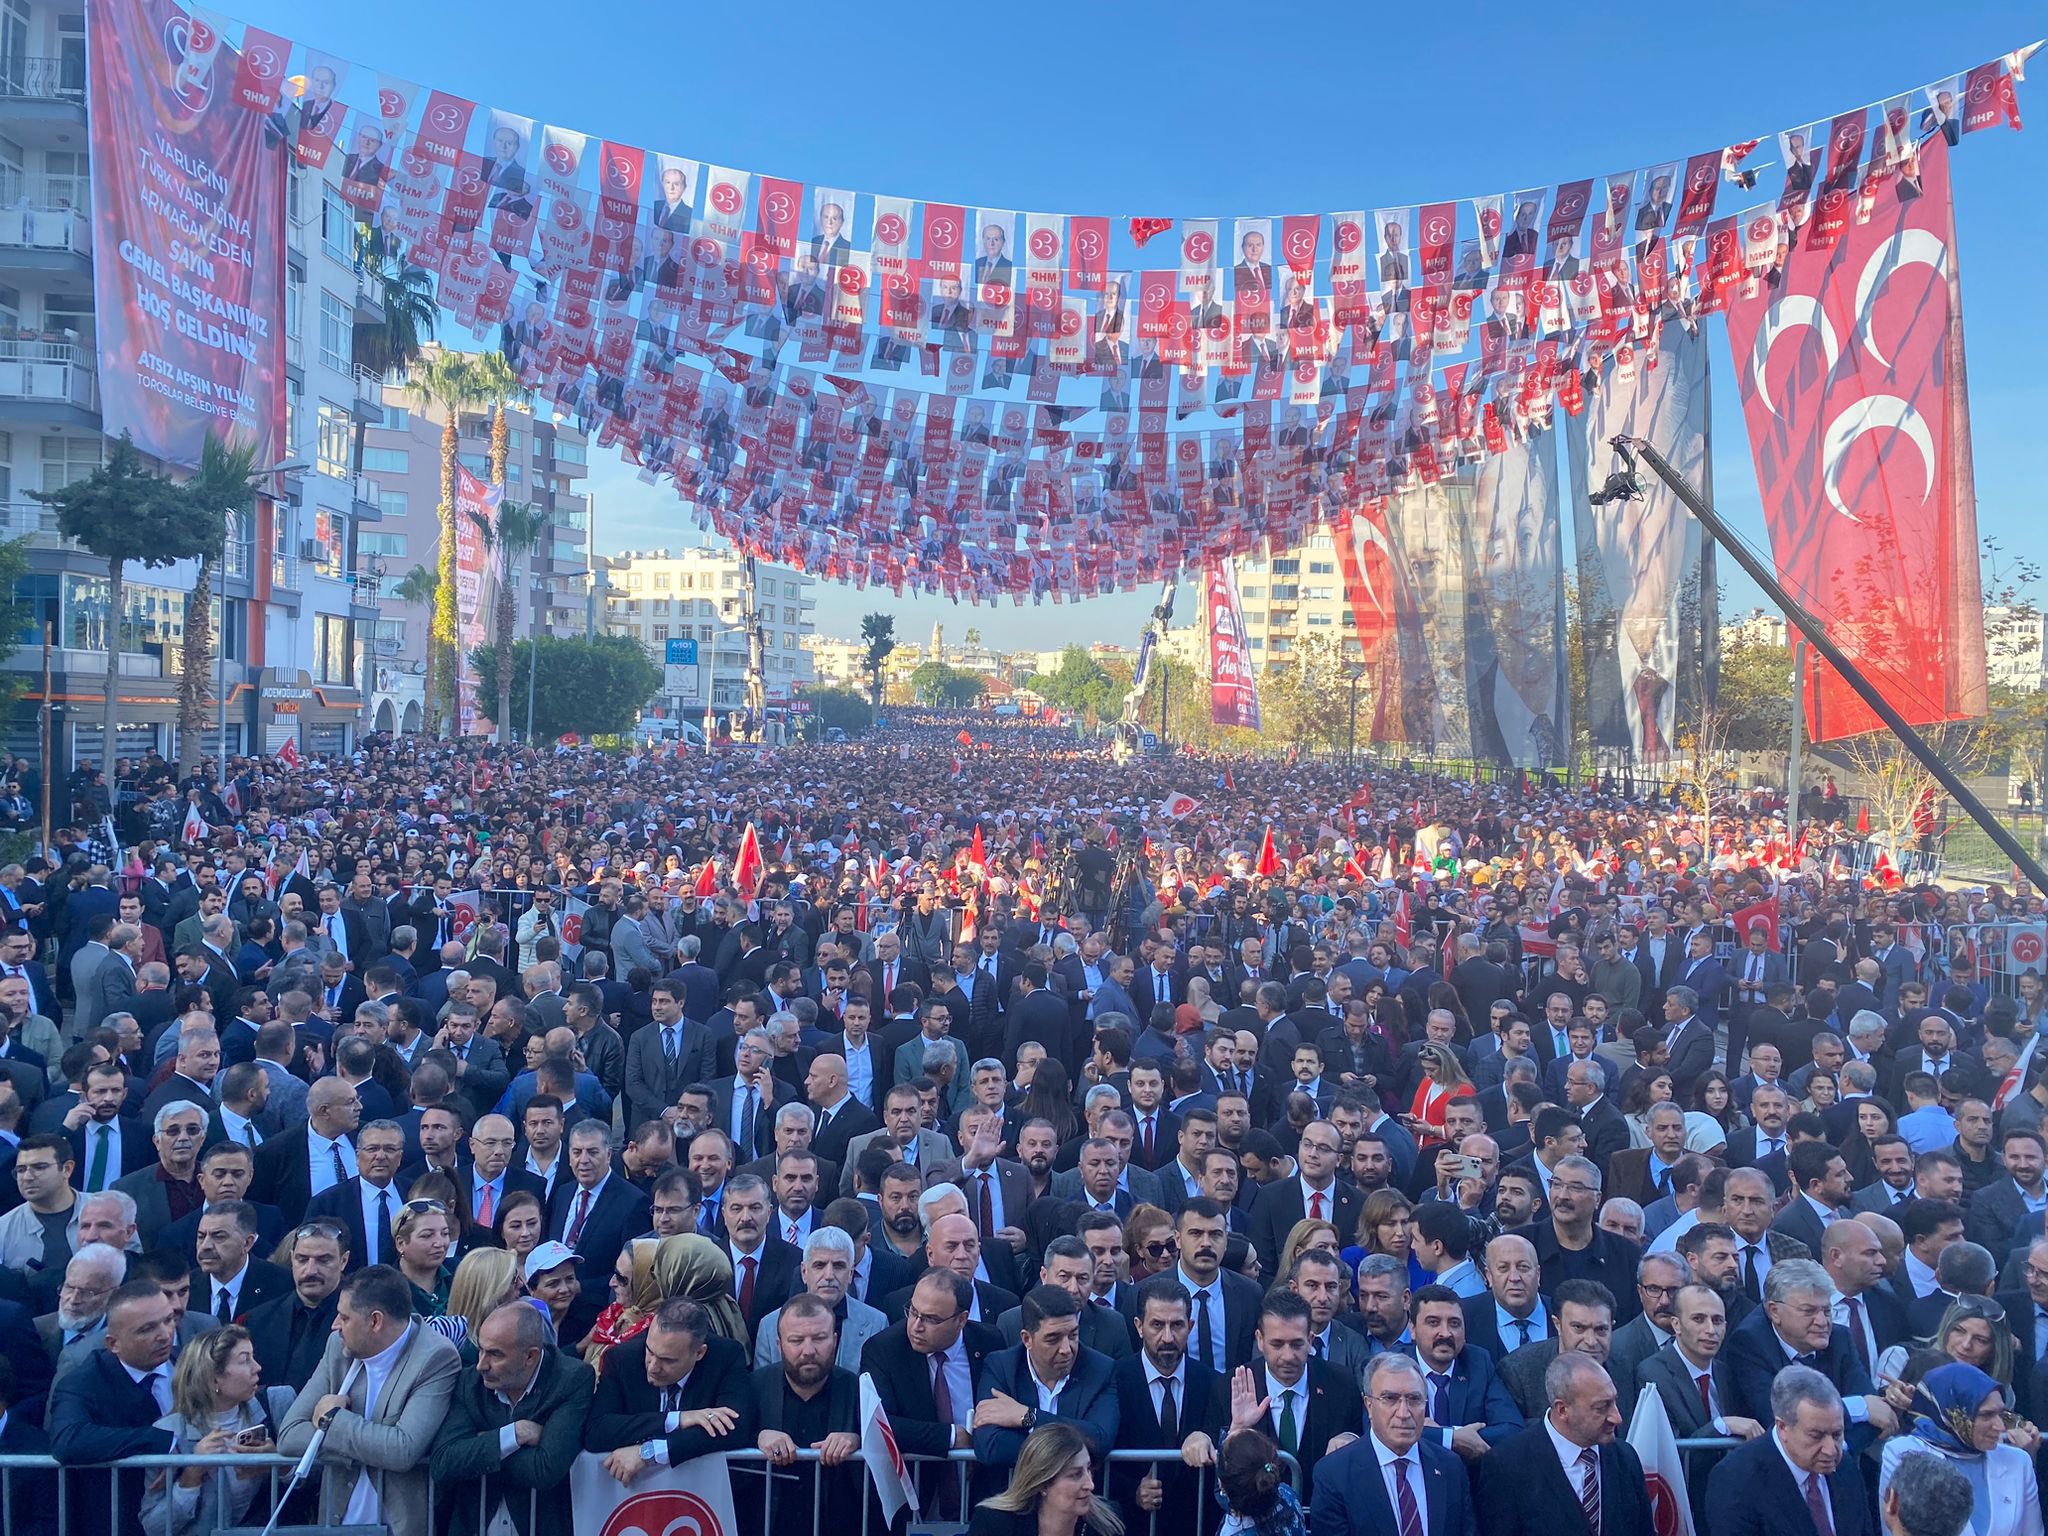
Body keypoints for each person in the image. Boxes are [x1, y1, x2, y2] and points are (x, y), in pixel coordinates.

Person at [276, 1265, 462, 1536]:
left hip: (399, 1528)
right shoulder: (337, 1347)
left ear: (375, 1321)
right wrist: (373, 1448)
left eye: (344, 1317)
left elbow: (403, 1450)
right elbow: (290, 1435)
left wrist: (332, 1420)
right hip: (337, 1525)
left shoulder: (436, 1357)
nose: (335, 1325)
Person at [429, 1300, 596, 1536]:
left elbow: (545, 1469)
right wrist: (514, 1435)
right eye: (481, 1350)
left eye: (495, 1354)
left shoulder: (571, 1379)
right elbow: (443, 1462)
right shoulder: (470, 1383)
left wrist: (482, 1448)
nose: (481, 1365)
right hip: (474, 1526)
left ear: (530, 1356)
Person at [47, 1276, 179, 1536]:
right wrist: (163, 1440)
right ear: (113, 1343)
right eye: (146, 1329)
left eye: (168, 1320)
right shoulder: (83, 1382)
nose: (165, 1335)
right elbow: (67, 1439)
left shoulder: (188, 1365)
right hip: (118, 1520)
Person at [1475, 1348, 1655, 1536]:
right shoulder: (1506, 1466)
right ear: (1562, 1410)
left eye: (1615, 1402)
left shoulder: (1625, 1457)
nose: (1617, 1418)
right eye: (1602, 1407)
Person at [1310, 1350, 1477, 1536]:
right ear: (1369, 1406)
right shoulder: (1335, 1474)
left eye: (1414, 1399)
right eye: (1390, 1399)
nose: (1403, 1413)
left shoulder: (1450, 1467)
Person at [585, 1294, 757, 1472]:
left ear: (699, 1353)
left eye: (667, 1360)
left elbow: (735, 1427)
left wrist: (653, 1452)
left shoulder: (725, 1356)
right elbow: (597, 1431)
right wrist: (677, 1419)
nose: (653, 1367)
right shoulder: (622, 1358)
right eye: (649, 1351)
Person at [972, 1283, 1119, 1485]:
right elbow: (990, 1446)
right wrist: (1072, 1451)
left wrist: (1027, 1416)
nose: (1066, 1349)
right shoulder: (1001, 1367)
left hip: (1079, 1498)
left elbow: (1099, 1440)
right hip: (1014, 1497)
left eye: (1073, 1335)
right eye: (1053, 1339)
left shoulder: (1100, 1369)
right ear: (1027, 1339)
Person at [138, 1323, 275, 1536]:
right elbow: (154, 1527)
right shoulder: (169, 1431)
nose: (257, 1367)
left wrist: (280, 1463)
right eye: (244, 1360)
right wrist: (192, 1473)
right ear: (213, 1377)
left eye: (253, 1357)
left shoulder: (276, 1404)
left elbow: (316, 1480)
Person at [1708, 1365, 1878, 1536]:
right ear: (1783, 1427)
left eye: (1837, 1434)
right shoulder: (1737, 1478)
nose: (1830, 1450)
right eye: (1816, 1436)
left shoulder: (1845, 1468)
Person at [1879, 1360, 2042, 1536]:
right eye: (1986, 1415)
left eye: (2001, 1414)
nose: (2000, 1426)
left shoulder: (2018, 1461)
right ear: (1953, 1413)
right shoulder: (1903, 1453)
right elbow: (1896, 1530)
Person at [748, 1293, 862, 1536]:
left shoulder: (858, 1391)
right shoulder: (752, 1388)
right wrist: (757, 1437)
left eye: (819, 1338)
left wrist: (858, 1441)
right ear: (779, 1344)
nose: (808, 1350)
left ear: (835, 1340)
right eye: (796, 1340)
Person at [966, 1420, 1123, 1536]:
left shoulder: (1107, 1522)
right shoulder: (995, 1523)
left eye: (1088, 1469)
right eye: (1075, 1475)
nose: (1090, 1484)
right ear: (1042, 1483)